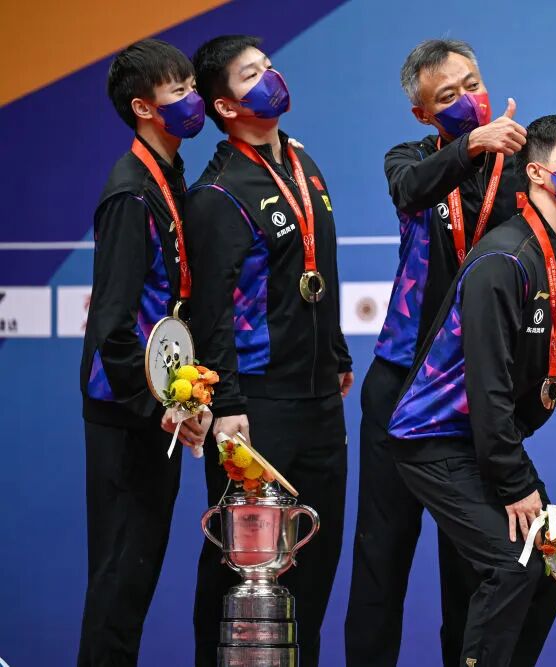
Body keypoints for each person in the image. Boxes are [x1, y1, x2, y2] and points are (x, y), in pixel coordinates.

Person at [387, 114, 556, 667]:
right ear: (538, 173)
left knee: (552, 560)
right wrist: (514, 483)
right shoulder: (504, 259)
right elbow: (488, 386)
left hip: (478, 441)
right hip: (433, 440)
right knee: (513, 565)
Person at [345, 38, 526, 667]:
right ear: (424, 114)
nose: (468, 99)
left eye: (472, 84)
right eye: (448, 96)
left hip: (473, 394)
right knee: (381, 555)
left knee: (474, 566)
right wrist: (472, 143)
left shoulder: (522, 166)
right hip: (400, 386)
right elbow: (410, 190)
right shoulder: (411, 159)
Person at [185, 35, 353, 667]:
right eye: (251, 75)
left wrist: (336, 352)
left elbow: (315, 267)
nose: (270, 78)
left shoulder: (301, 163)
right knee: (243, 563)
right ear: (226, 106)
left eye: (269, 66)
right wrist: (227, 403)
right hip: (257, 407)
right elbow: (212, 310)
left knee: (314, 558)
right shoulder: (218, 193)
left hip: (319, 402)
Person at [78, 38, 211, 666]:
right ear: (142, 107)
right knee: (119, 583)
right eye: (178, 90)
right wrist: (153, 404)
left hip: (156, 406)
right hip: (128, 412)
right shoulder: (131, 192)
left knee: (134, 579)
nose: (193, 100)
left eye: (192, 86)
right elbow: (112, 322)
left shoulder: (169, 175)